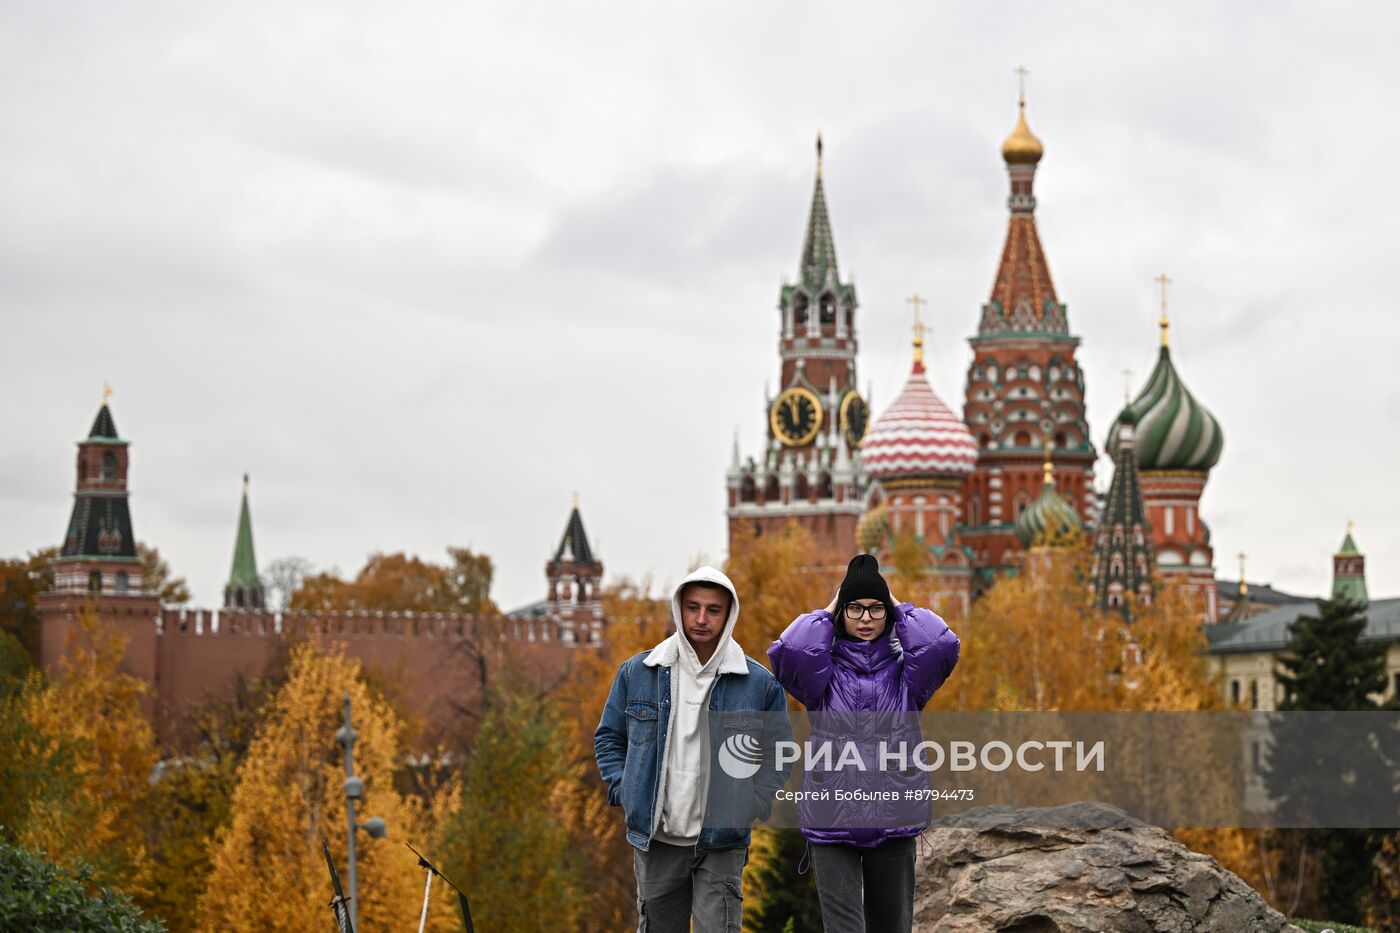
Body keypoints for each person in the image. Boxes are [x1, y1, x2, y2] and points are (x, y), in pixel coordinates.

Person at [767, 553, 960, 933]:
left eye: (875, 609)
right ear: (842, 613)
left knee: (893, 926)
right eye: (855, 609)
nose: (866, 618)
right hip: (832, 818)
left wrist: (897, 605)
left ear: (887, 613)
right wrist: (829, 607)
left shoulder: (908, 674)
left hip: (895, 815)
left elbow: (940, 646)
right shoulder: (820, 677)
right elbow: (790, 651)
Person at [595, 566, 790, 933]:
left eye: (713, 610)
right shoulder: (639, 672)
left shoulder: (757, 683)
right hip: (657, 840)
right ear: (678, 609)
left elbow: (779, 752)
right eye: (693, 608)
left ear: (728, 614)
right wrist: (627, 790)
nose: (701, 619)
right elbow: (609, 738)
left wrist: (754, 803)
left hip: (721, 841)